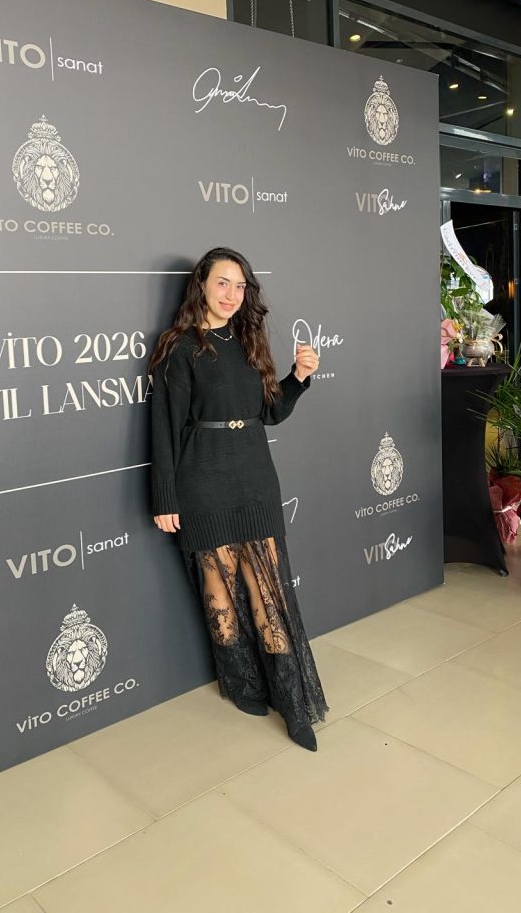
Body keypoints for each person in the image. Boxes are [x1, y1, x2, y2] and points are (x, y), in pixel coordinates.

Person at [149, 246, 328, 751]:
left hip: (253, 475)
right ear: (202, 286)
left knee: (268, 590)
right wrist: (165, 498)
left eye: (240, 286)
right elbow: (164, 427)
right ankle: (243, 684)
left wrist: (298, 378)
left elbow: (269, 412)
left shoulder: (250, 339)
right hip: (202, 479)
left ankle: (292, 701)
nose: (231, 295)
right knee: (219, 591)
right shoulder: (180, 346)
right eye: (222, 283)